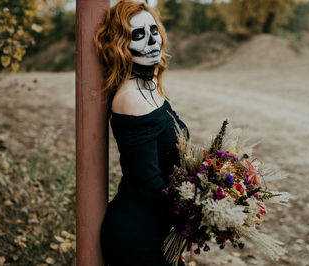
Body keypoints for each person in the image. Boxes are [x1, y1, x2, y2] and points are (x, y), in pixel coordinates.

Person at [94, 1, 189, 265]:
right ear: (121, 45)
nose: (151, 41)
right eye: (138, 35)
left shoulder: (152, 87)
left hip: (157, 228)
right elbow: (150, 185)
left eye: (153, 30)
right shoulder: (130, 98)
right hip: (135, 237)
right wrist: (196, 216)